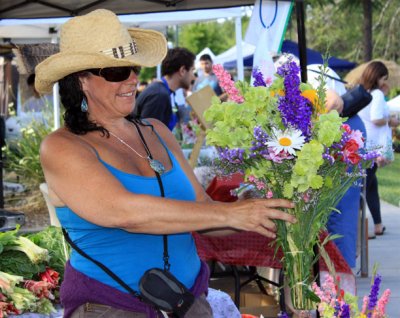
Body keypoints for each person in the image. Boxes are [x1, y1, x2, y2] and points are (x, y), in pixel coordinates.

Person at [35, 9, 296, 318]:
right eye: (117, 72)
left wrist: (258, 211)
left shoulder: (156, 131)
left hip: (188, 303)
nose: (133, 78)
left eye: (132, 67)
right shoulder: (62, 146)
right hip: (110, 307)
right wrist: (231, 213)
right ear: (82, 81)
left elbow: (202, 208)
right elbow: (125, 212)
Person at [357, 61, 399, 238]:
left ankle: (378, 225)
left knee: (371, 186)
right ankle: (362, 228)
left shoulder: (363, 93)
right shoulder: (377, 95)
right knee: (364, 188)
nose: (384, 81)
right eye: (384, 78)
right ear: (377, 77)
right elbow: (376, 119)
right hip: (373, 148)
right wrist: (390, 120)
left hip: (364, 144)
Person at [133, 47, 196, 131]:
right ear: (182, 71)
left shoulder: (165, 92)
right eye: (192, 70)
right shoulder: (159, 95)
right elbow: (149, 136)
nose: (194, 77)